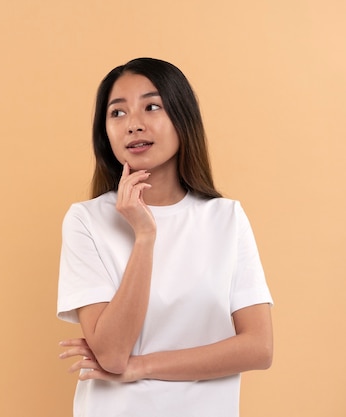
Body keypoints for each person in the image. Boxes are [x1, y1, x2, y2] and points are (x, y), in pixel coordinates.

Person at [56, 57, 273, 417]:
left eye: (151, 107)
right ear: (104, 132)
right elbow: (111, 353)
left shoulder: (225, 218)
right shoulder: (86, 220)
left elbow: (258, 348)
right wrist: (143, 236)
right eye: (117, 113)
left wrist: (142, 366)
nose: (133, 125)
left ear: (182, 118)